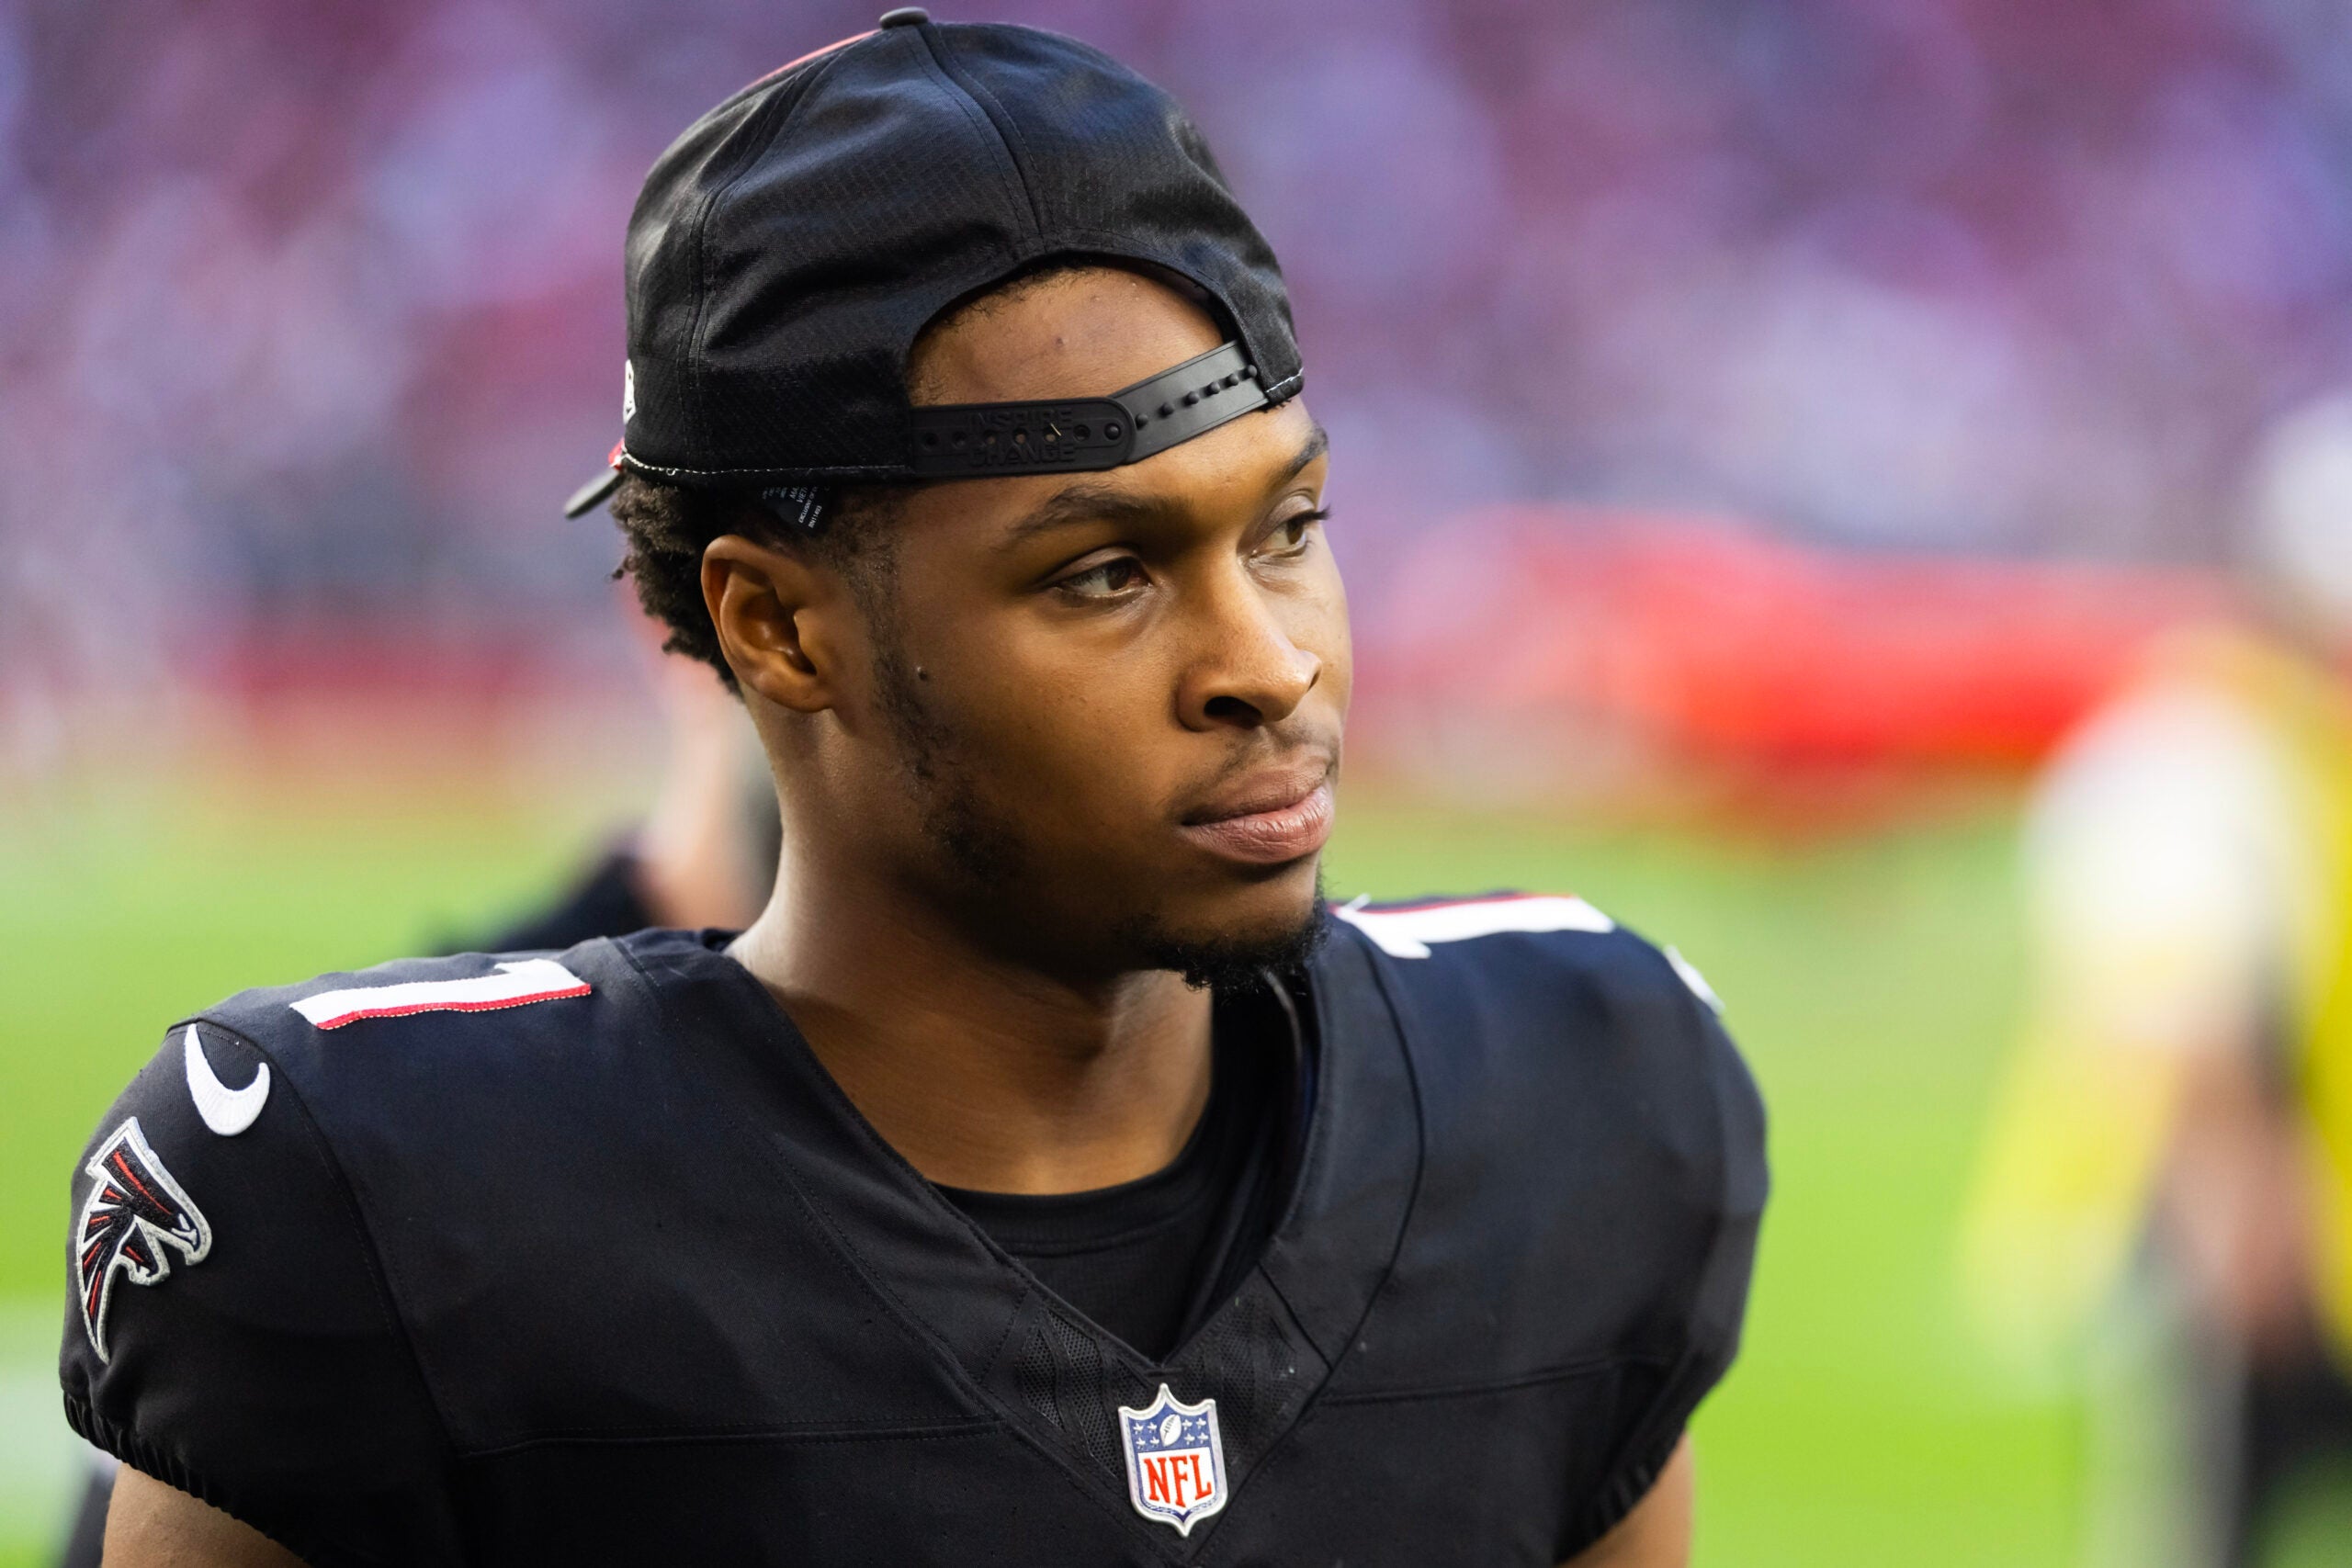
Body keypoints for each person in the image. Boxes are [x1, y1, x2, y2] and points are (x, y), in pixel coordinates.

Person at [62, 14, 1765, 1565]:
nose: (1271, 660)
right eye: (1105, 570)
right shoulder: (378, 1198)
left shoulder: (1577, 1094)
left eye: (1289, 530)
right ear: (779, 624)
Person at [1962, 394, 2352, 1567]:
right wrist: (2235, 1194)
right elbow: (2179, 1009)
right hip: (2244, 1237)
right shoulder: (2200, 742)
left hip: (2307, 1223)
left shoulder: (2284, 735)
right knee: (2211, 1520)